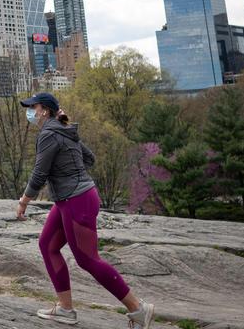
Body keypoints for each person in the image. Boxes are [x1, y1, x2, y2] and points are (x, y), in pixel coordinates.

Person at [17, 92, 155, 328]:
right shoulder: (64, 130)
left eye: (34, 107)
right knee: (48, 245)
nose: (30, 111)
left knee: (88, 259)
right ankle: (65, 309)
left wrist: (24, 201)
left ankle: (138, 309)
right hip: (71, 199)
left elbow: (39, 174)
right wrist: (70, 170)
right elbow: (88, 159)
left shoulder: (49, 134)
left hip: (76, 200)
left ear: (46, 110)